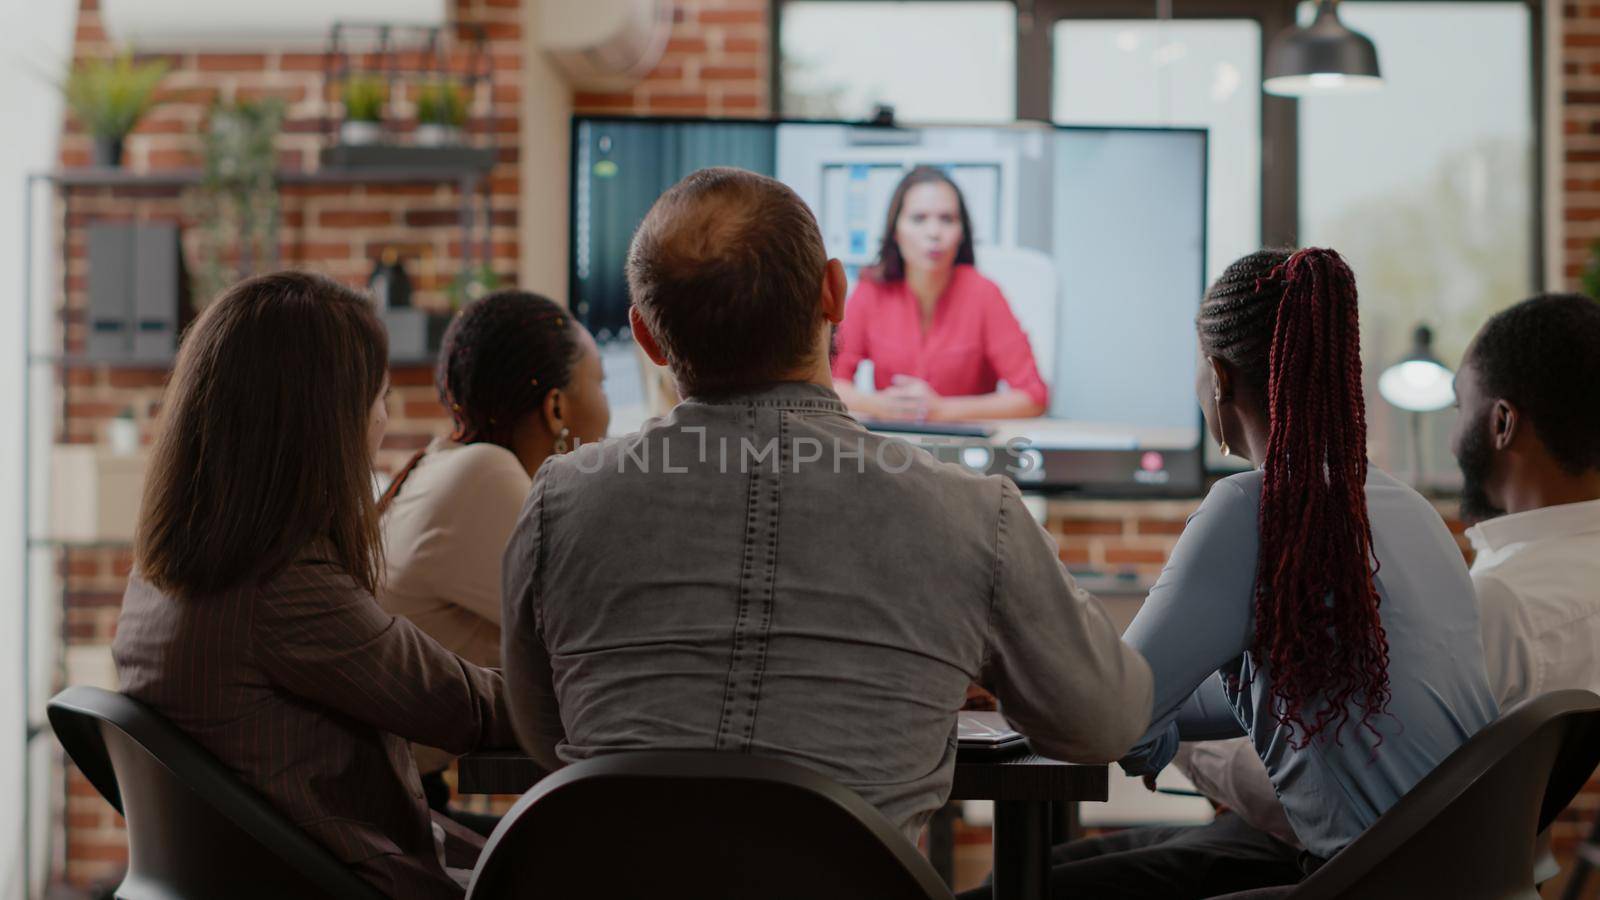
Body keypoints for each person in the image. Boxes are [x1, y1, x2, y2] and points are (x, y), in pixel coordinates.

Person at [499, 166, 1154, 842]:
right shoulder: (973, 514)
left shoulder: (557, 501)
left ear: (646, 336)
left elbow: (547, 734)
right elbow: (1106, 721)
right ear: (834, 294)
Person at [966, 249, 1501, 900]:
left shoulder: (1250, 508)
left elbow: (1107, 720)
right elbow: (1262, 692)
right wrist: (1143, 711)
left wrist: (1112, 705)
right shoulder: (1405, 509)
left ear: (1218, 377)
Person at [1098, 292, 1600, 892]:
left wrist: (1144, 722)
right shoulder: (1414, 514)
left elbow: (1120, 715)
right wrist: (1156, 704)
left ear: (1220, 377)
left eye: (1457, 405)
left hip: (1365, 871)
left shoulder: (1504, 599)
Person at [114, 272, 514, 900]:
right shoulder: (279, 588)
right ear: (323, 425)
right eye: (379, 399)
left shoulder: (167, 571)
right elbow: (464, 709)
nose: (384, 422)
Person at [377, 291, 609, 810]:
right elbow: (604, 642)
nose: (609, 408)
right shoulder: (485, 476)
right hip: (388, 807)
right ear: (556, 408)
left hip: (397, 792)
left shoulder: (443, 462)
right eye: (601, 383)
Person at [831, 165, 1049, 422]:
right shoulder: (871, 291)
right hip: (893, 450)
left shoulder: (984, 294)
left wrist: (943, 410)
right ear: (896, 232)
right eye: (918, 218)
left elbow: (1033, 396)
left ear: (961, 233)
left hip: (966, 453)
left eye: (947, 219)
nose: (934, 232)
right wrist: (878, 405)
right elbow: (827, 385)